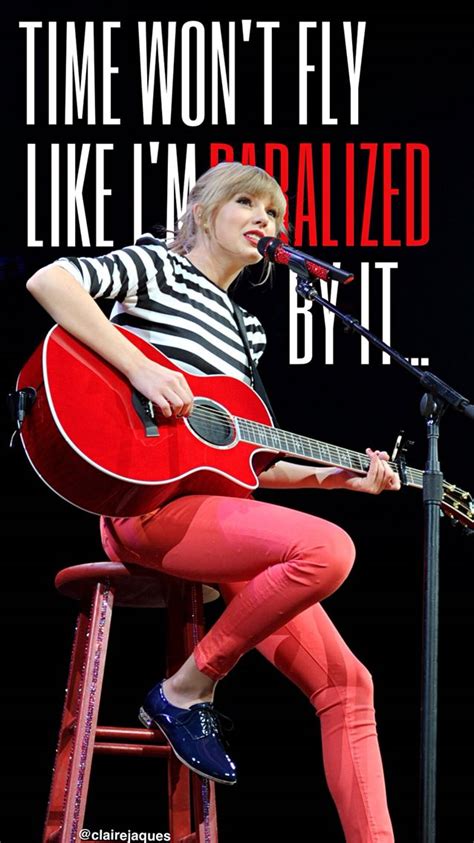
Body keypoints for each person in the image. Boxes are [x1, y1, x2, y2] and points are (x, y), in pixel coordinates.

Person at [27, 161, 400, 842]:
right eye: (247, 203)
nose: (266, 220)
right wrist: (141, 366)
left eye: (275, 213)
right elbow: (50, 280)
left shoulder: (246, 333)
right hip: (147, 507)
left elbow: (240, 461)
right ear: (202, 210)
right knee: (327, 548)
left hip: (220, 517)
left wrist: (340, 477)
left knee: (351, 685)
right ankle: (182, 690)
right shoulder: (158, 266)